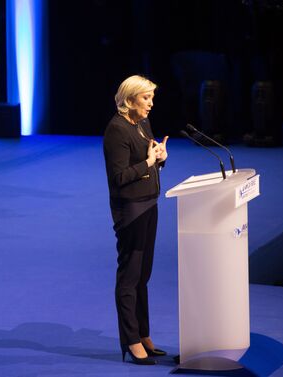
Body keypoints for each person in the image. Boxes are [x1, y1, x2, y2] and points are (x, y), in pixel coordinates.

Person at [103, 75, 168, 365]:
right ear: (129, 100)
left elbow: (148, 158)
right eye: (146, 98)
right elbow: (118, 178)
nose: (151, 104)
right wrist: (148, 163)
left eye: (152, 98)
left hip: (149, 204)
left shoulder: (141, 124)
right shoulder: (116, 130)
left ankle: (143, 334)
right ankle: (130, 340)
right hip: (130, 211)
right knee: (130, 277)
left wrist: (160, 157)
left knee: (144, 276)